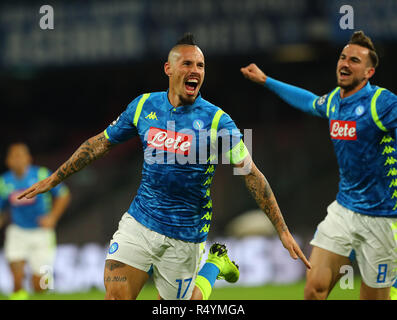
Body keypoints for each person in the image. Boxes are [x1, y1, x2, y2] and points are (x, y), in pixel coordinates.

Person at [18, 33, 310, 300]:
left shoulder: (219, 122)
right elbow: (100, 143)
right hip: (140, 223)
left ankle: (214, 265)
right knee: (116, 295)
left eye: (201, 65)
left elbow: (251, 174)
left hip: (185, 234)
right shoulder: (144, 106)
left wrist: (282, 230)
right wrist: (55, 177)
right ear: (169, 69)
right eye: (187, 63)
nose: (195, 70)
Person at [241, 30, 397, 300]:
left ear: (369, 72)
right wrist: (267, 80)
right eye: (343, 57)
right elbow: (309, 101)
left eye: (355, 60)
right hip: (344, 212)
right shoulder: (335, 100)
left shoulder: (381, 103)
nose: (345, 63)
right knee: (314, 289)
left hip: (382, 219)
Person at [0, 143, 70, 299]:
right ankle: (18, 293)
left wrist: (52, 217)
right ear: (8, 161)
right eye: (14, 156)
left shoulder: (41, 175)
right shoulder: (3, 182)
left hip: (42, 233)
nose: (17, 160)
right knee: (17, 278)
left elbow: (64, 194)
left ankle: (44, 282)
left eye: (20, 155)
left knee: (39, 286)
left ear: (29, 159)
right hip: (18, 231)